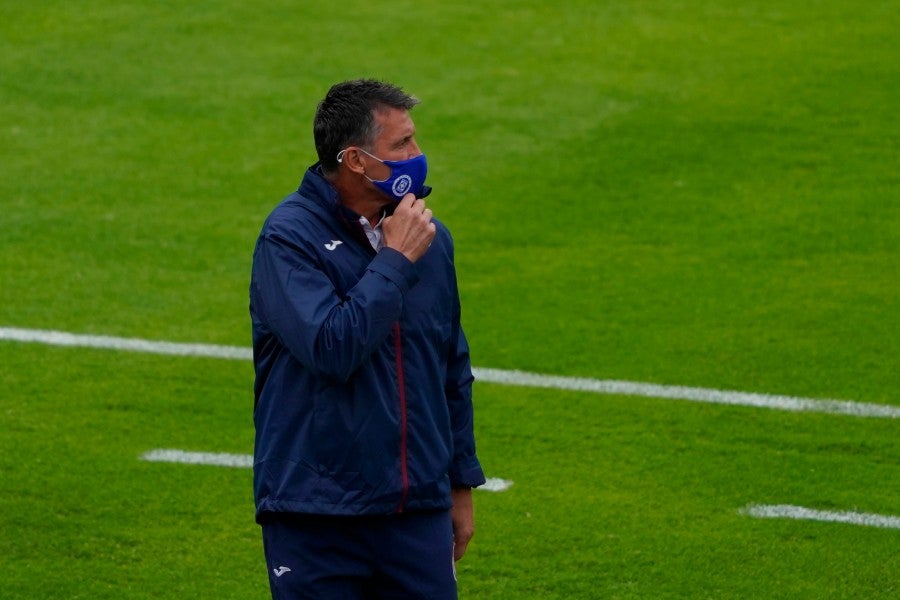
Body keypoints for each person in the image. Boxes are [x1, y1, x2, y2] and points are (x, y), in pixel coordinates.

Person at [249, 79, 486, 599]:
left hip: (415, 511)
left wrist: (459, 483)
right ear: (356, 160)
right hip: (317, 515)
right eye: (402, 145)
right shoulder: (288, 238)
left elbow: (450, 365)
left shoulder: (429, 237)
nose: (418, 156)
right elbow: (332, 348)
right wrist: (395, 261)